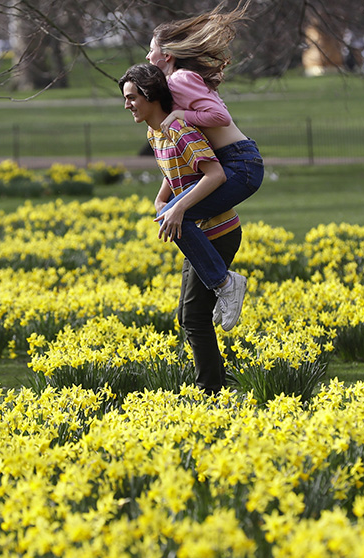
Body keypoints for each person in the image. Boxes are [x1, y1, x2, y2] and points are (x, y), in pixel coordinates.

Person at [119, 63, 251, 394]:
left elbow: (214, 174)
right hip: (195, 235)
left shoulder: (179, 129)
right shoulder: (155, 133)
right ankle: (217, 386)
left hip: (217, 232)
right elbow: (173, 170)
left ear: (149, 96)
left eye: (132, 97)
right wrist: (162, 199)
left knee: (193, 317)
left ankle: (211, 391)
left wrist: (179, 206)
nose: (127, 105)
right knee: (189, 316)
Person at [146, 3, 264, 327]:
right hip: (235, 161)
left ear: (166, 55)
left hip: (241, 163)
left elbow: (220, 117)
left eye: (151, 50)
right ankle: (221, 284)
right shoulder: (176, 82)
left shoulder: (180, 79)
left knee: (178, 215)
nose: (147, 57)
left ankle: (225, 284)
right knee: (173, 212)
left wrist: (182, 115)